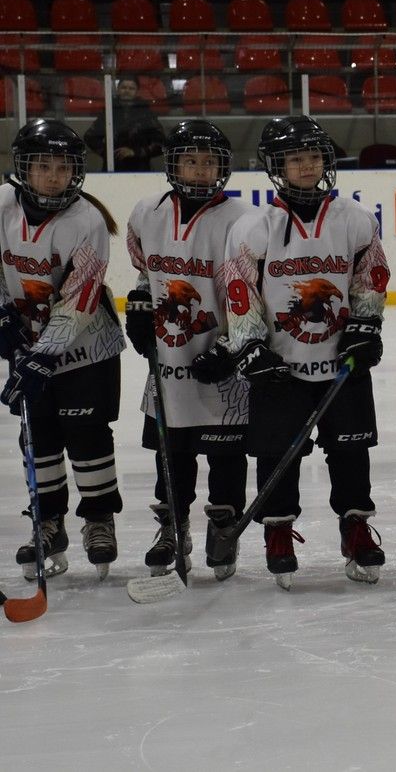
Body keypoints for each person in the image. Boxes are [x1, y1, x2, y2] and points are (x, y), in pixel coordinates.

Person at [221, 116, 388, 589]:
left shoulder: (354, 219)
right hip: (281, 367)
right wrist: (251, 345)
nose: (308, 166)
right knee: (276, 455)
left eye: (314, 157)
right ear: (277, 167)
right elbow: (240, 294)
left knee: (351, 452)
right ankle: (277, 530)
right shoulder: (256, 227)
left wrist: (364, 325)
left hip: (340, 361)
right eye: (296, 159)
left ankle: (355, 526)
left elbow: (370, 279)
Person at [124, 120, 256, 580]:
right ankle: (172, 525)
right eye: (190, 161)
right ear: (173, 164)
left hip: (222, 360)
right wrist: (141, 305)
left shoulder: (242, 220)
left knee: (225, 455)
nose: (200, 171)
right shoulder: (147, 212)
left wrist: (231, 350)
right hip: (169, 357)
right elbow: (146, 272)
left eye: (209, 162)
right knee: (171, 451)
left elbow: (250, 296)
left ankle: (224, 526)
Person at [1, 119, 125, 581]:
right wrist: (1, 318)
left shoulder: (86, 222)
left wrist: (41, 357)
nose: (53, 176)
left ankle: (98, 521)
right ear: (23, 168)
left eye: (62, 167)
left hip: (87, 347)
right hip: (30, 342)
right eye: (42, 166)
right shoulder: (1, 205)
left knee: (88, 437)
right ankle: (47, 522)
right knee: (39, 438)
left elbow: (80, 299)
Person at [83, 78, 165, 172]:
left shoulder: (146, 113)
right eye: (124, 87)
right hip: (112, 169)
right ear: (118, 90)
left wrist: (135, 152)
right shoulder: (109, 111)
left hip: (141, 169)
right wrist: (109, 153)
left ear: (137, 92)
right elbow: (90, 136)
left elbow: (161, 142)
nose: (127, 91)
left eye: (131, 88)